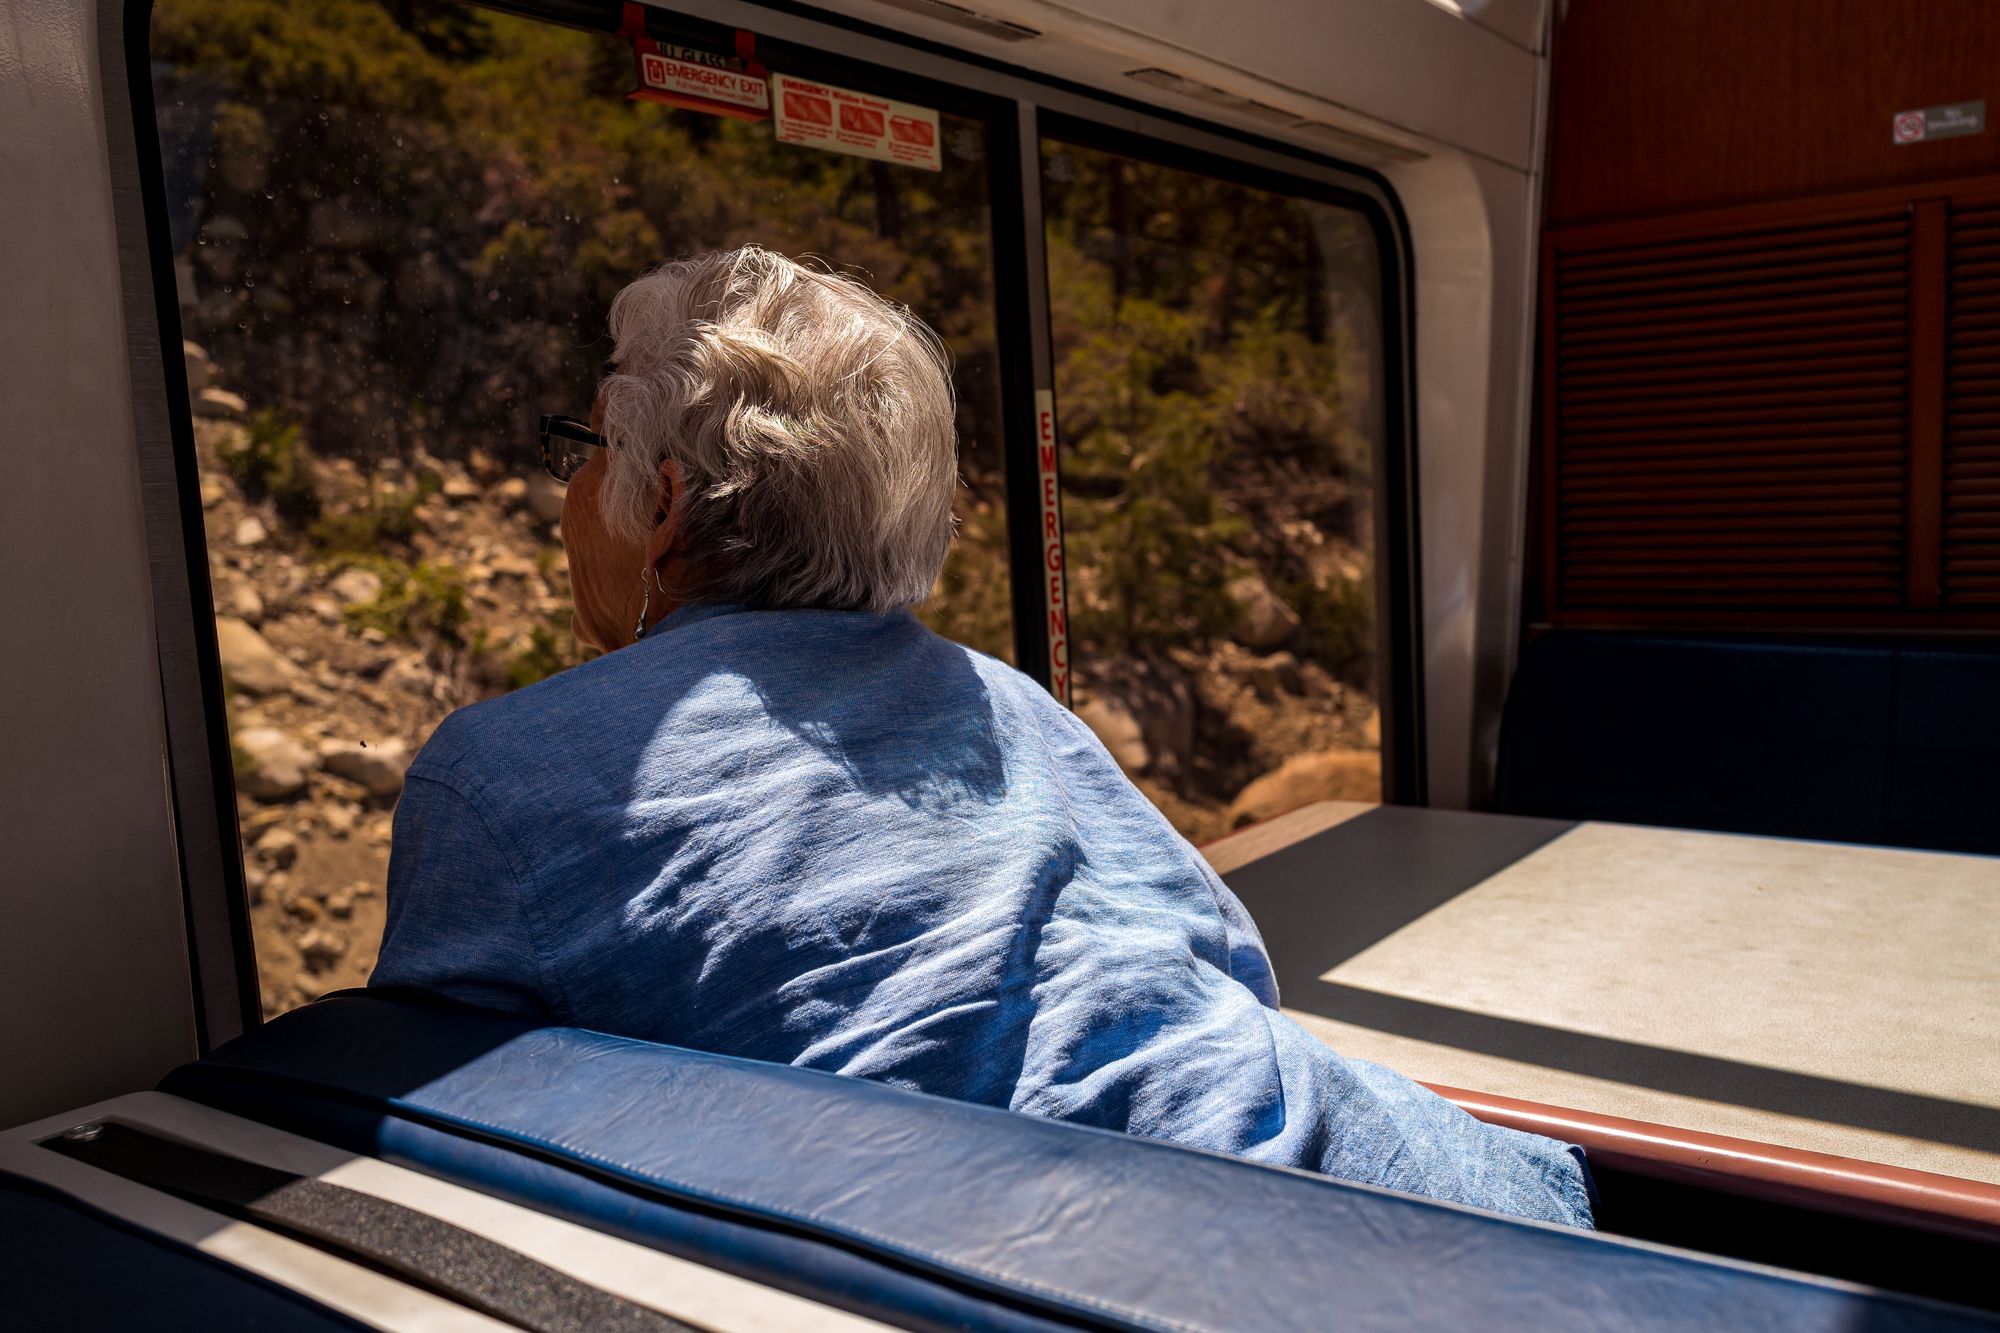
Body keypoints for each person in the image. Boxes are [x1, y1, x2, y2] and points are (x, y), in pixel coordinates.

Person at [371, 246, 1594, 1228]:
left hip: (1131, 1262)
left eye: (583, 450)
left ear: (665, 506)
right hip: (1423, 1202)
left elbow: (448, 1159)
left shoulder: (496, 776)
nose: (566, 490)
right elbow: (1224, 971)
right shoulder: (1007, 702)